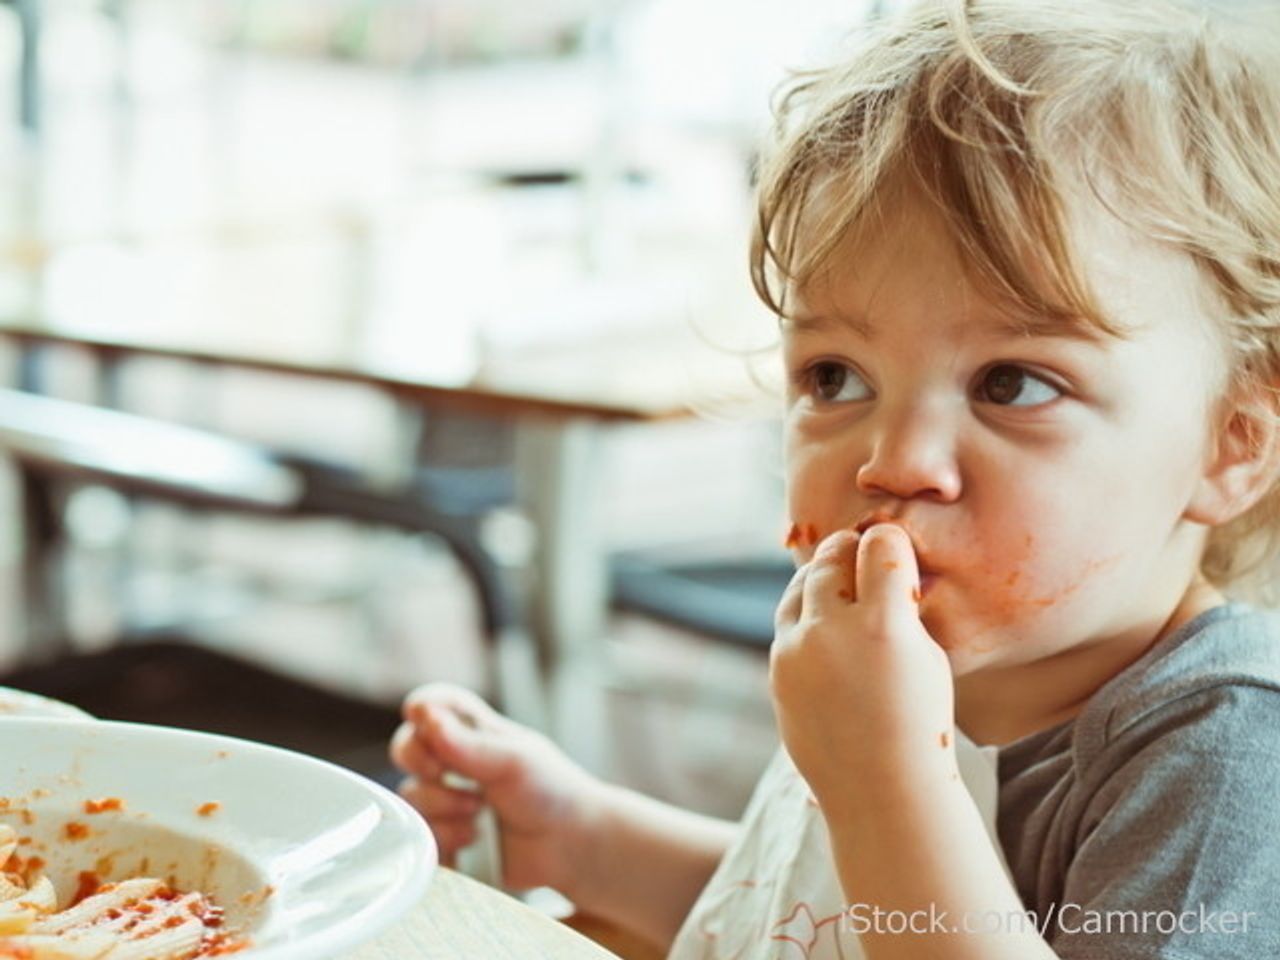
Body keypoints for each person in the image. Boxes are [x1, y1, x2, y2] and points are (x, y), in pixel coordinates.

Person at [390, 1, 1280, 956]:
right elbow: (821, 915)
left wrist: (885, 780)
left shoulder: (1223, 759)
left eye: (1011, 384)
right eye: (835, 377)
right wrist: (585, 840)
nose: (891, 462)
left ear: (1229, 447)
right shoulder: (912, 672)